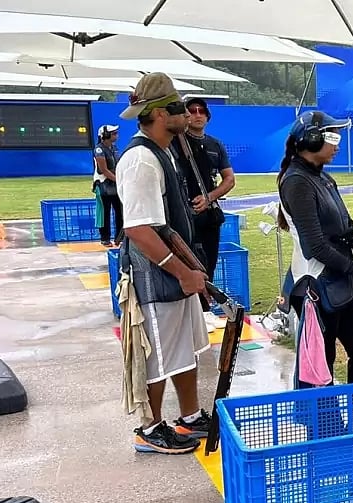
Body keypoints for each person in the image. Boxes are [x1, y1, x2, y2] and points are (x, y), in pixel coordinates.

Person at [114, 73, 213, 455]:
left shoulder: (162, 151)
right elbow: (139, 230)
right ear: (157, 113)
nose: (185, 114)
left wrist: (190, 268)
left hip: (172, 272)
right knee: (155, 356)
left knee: (183, 348)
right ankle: (149, 427)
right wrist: (182, 271)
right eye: (176, 108)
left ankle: (188, 416)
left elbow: (164, 224)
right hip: (154, 277)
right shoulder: (140, 160)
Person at [275, 110, 353, 385]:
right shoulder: (297, 182)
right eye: (332, 136)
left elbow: (345, 223)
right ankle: (325, 428)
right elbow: (315, 247)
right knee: (321, 367)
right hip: (315, 286)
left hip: (336, 282)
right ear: (312, 140)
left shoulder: (322, 178)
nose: (338, 143)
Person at [171, 96, 236, 322]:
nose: (197, 114)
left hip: (209, 215)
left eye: (201, 111)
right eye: (192, 110)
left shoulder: (215, 145)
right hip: (183, 216)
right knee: (189, 263)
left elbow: (229, 179)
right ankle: (194, 311)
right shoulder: (175, 142)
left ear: (207, 116)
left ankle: (205, 309)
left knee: (209, 261)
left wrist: (209, 198)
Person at [93, 124, 124, 247]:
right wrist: (119, 180)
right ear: (105, 136)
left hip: (115, 184)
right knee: (104, 213)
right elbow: (104, 170)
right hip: (103, 185)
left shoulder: (114, 148)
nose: (116, 135)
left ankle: (119, 238)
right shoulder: (99, 150)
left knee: (119, 212)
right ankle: (104, 238)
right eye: (113, 133)